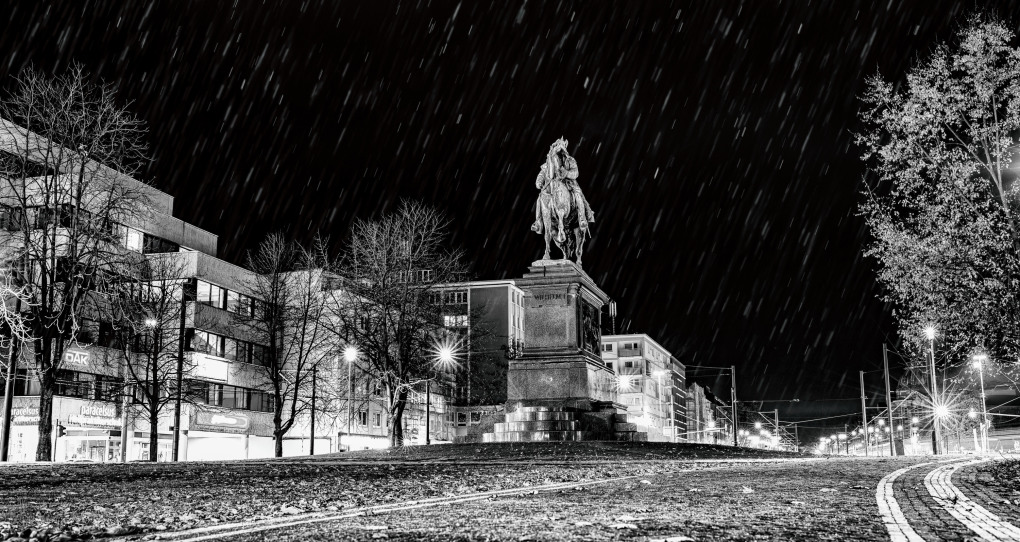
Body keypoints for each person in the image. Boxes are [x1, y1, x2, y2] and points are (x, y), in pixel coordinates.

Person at [531, 138, 595, 233]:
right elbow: (542, 173)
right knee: (541, 198)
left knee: (577, 194)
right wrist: (539, 181)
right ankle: (538, 221)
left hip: (568, 184)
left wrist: (566, 173)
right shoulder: (548, 163)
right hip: (551, 186)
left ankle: (582, 218)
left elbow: (575, 173)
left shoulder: (570, 161)